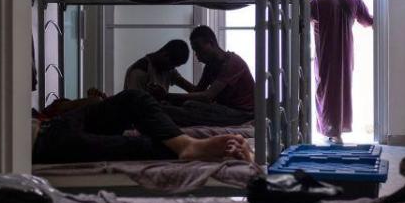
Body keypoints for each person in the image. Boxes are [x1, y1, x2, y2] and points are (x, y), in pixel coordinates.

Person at [34, 88, 252, 164]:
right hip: (43, 141)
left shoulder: (38, 112)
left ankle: (185, 144)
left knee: (136, 97)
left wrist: (93, 101)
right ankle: (191, 148)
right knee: (136, 145)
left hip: (55, 125)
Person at [310, 0, 373, 144]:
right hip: (346, 53)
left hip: (325, 54)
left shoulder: (317, 0)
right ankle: (339, 130)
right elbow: (368, 21)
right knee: (342, 89)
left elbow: (300, 22)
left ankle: (331, 132)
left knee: (326, 90)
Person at [154, 25, 256, 128]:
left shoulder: (232, 63)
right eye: (195, 51)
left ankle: (156, 110)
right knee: (189, 104)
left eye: (199, 49)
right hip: (225, 109)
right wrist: (177, 80)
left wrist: (168, 96)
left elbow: (207, 96)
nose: (197, 55)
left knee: (179, 110)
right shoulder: (210, 66)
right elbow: (198, 91)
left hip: (243, 114)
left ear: (211, 43)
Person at [123, 39, 190, 93]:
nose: (172, 68)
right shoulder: (139, 72)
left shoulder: (167, 69)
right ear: (165, 55)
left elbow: (190, 88)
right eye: (172, 65)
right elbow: (136, 105)